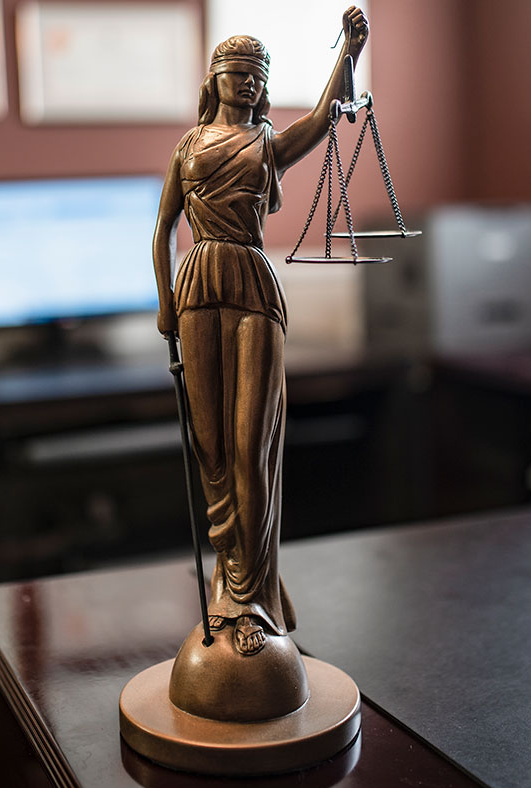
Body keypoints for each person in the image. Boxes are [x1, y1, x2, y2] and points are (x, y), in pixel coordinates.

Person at [153, 7, 369, 657]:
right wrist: (165, 305)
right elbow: (163, 228)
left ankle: (251, 593)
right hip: (198, 288)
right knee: (213, 446)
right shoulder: (188, 147)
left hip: (252, 285)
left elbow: (327, 115)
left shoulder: (269, 143)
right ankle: (230, 577)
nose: (244, 83)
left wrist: (350, 51)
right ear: (214, 79)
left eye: (254, 75)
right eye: (234, 72)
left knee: (252, 444)